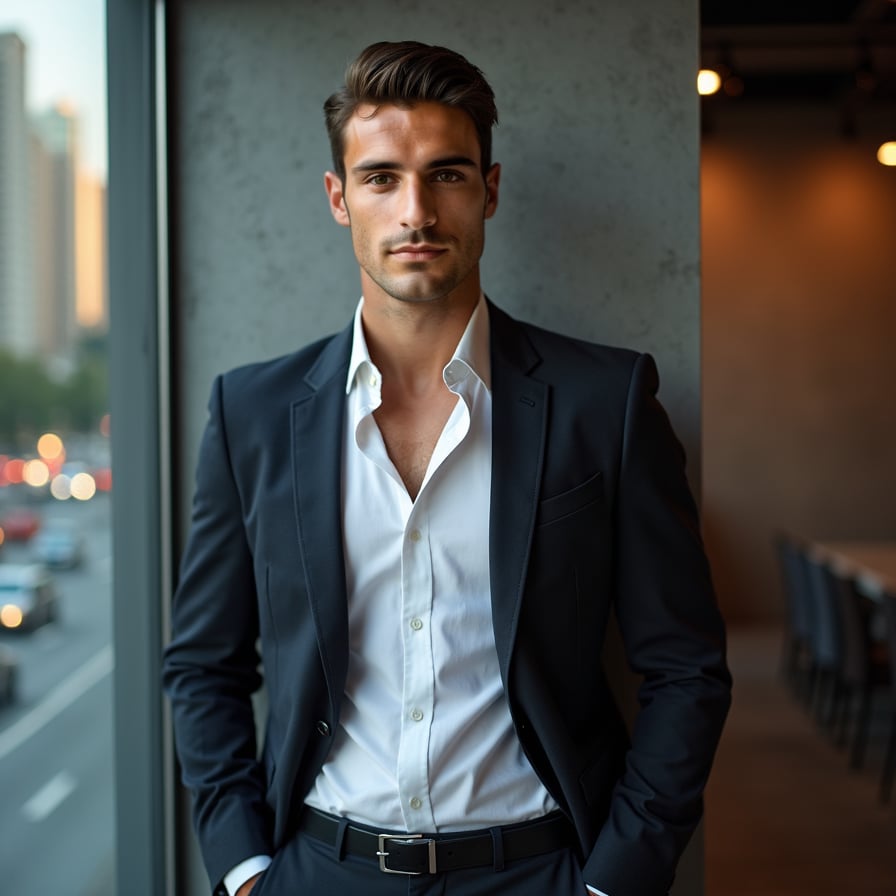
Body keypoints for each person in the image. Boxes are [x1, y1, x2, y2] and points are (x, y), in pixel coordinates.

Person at [162, 40, 732, 896]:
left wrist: (618, 880)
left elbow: (686, 667)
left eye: (449, 175)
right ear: (338, 198)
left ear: (490, 191)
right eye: (382, 178)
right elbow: (204, 664)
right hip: (321, 871)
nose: (416, 212)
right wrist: (245, 870)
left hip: (540, 870)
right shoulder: (251, 414)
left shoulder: (602, 402)